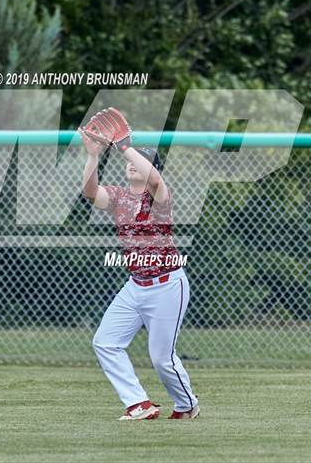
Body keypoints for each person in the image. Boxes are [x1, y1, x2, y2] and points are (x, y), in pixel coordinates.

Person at [79, 129, 199, 421]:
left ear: (152, 167)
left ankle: (187, 405)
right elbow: (90, 192)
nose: (133, 163)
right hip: (135, 286)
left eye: (143, 160)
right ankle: (138, 404)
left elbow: (156, 180)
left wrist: (123, 146)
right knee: (105, 342)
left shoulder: (159, 198)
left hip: (167, 284)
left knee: (162, 359)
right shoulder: (120, 197)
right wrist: (94, 155)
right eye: (131, 159)